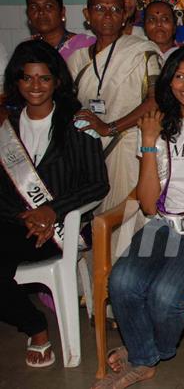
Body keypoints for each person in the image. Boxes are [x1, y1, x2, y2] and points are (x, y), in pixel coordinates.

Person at [93, 45, 184, 389]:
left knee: (165, 295)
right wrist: (148, 143)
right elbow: (147, 204)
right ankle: (144, 356)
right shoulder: (159, 125)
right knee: (122, 281)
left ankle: (145, 353)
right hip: (163, 223)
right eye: (179, 75)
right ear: (169, 80)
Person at [0, 40, 108, 368]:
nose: (36, 86)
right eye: (27, 78)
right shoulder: (6, 127)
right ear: (16, 82)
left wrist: (51, 210)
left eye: (44, 78)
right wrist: (24, 216)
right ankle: (34, 322)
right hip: (15, 223)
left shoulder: (78, 124)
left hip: (60, 228)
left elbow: (97, 184)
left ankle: (35, 329)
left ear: (57, 81)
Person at [67, 0, 161, 212]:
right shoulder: (77, 59)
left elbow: (156, 100)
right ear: (87, 15)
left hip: (130, 147)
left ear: (124, 16)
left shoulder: (143, 51)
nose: (108, 15)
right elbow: (67, 105)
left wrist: (109, 128)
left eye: (115, 9)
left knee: (126, 219)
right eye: (100, 8)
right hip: (89, 150)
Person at [25, 0, 95, 61]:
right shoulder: (26, 50)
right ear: (28, 14)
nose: (41, 12)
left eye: (48, 6)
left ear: (62, 12)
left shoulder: (86, 46)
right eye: (33, 7)